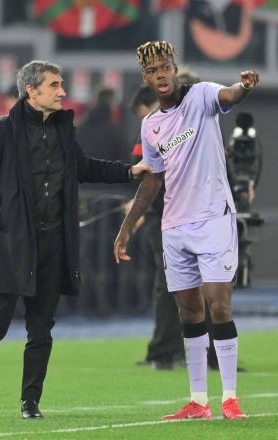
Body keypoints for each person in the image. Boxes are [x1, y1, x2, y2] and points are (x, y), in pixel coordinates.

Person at [0, 60, 150, 419]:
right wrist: (6, 219)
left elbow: (86, 167)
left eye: (61, 85)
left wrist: (129, 171)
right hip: (8, 245)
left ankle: (30, 402)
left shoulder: (64, 131)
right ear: (32, 91)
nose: (63, 92)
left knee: (41, 328)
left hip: (52, 244)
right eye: (54, 85)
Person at [114, 41, 258, 420]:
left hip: (213, 218)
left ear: (174, 69)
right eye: (152, 71)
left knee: (218, 302)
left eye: (165, 68)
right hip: (174, 225)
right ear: (145, 78)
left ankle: (230, 397)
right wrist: (126, 227)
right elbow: (152, 180)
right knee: (188, 311)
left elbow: (229, 95)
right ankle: (198, 401)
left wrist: (242, 86)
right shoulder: (151, 125)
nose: (160, 75)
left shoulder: (201, 96)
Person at [127, 84, 185, 371]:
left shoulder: (167, 130)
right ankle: (179, 350)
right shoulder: (185, 128)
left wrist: (139, 208)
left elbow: (148, 175)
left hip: (166, 217)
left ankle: (166, 350)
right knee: (185, 285)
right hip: (173, 216)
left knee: (171, 285)